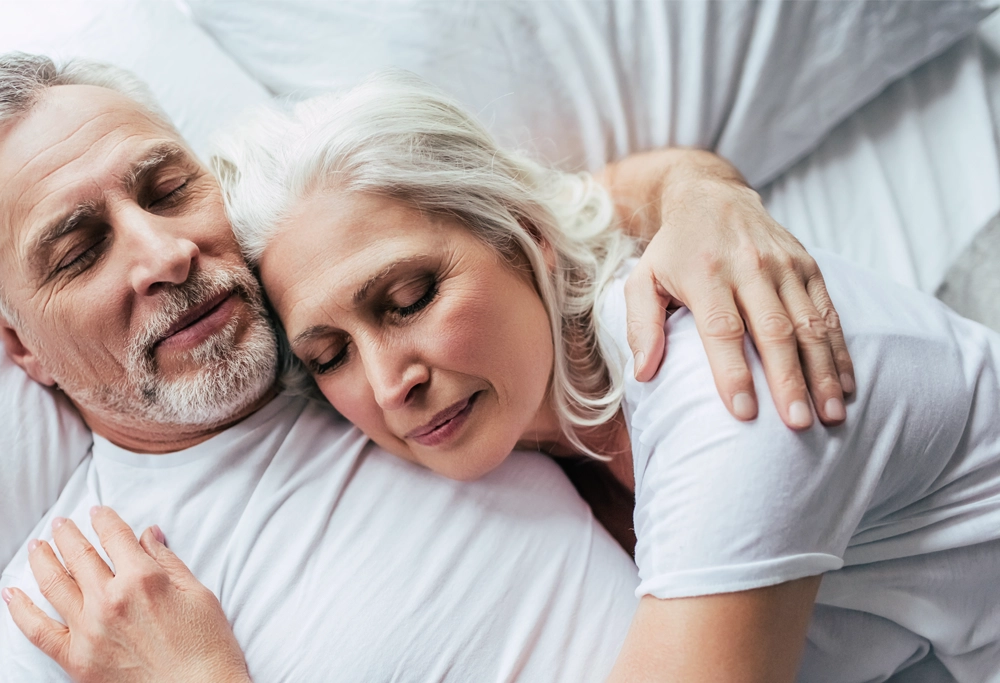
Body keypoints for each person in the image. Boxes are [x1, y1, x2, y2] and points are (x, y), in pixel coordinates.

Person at [0, 55, 854, 682]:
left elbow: (539, 211)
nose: (163, 252)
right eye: (79, 250)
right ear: (21, 345)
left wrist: (702, 191)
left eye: (167, 188)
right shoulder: (70, 611)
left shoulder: (328, 315)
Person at [197, 74, 1000, 681]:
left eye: (408, 299)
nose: (386, 381)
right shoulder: (525, 415)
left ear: (528, 236)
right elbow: (609, 191)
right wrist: (694, 184)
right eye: (330, 354)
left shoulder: (727, 385)